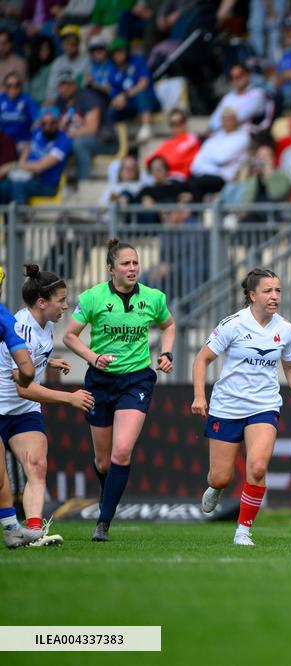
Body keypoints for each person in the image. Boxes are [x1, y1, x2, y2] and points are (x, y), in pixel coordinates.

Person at [194, 268, 291, 547]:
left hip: (264, 406)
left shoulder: (285, 330)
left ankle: (243, 530)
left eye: (278, 290)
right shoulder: (233, 324)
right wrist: (199, 396)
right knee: (221, 476)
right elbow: (201, 360)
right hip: (227, 405)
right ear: (252, 295)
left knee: (256, 467)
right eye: (268, 291)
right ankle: (215, 487)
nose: (274, 296)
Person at [62, 239, 176, 542]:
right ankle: (108, 495)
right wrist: (93, 358)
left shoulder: (153, 297)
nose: (132, 268)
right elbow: (70, 337)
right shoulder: (92, 298)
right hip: (100, 382)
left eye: (136, 263)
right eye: (126, 263)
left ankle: (103, 522)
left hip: (136, 380)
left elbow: (169, 325)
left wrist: (167, 353)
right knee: (103, 462)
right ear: (110, 269)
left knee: (122, 451)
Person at [0, 265, 94, 548]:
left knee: (37, 465)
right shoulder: (20, 327)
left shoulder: (47, 324)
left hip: (24, 412)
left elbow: (28, 357)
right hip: (6, 404)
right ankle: (12, 527)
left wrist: (49, 361)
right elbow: (23, 385)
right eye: (61, 300)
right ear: (42, 302)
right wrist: (69, 398)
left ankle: (33, 531)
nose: (66, 306)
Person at [0, 264, 41, 549]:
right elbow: (25, 369)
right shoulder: (6, 317)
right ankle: (13, 529)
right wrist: (27, 375)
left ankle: (13, 529)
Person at [0, 106, 70, 204]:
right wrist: (22, 162)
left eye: (52, 122)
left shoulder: (63, 141)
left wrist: (12, 166)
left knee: (18, 186)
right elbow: (28, 146)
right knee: (4, 186)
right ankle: (6, 218)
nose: (48, 127)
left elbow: (40, 167)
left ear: (59, 122)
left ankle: (19, 219)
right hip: (28, 175)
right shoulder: (37, 131)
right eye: (44, 123)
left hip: (47, 184)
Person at [54, 73, 117, 181]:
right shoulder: (60, 101)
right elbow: (57, 125)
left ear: (75, 85)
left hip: (104, 141)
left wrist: (68, 134)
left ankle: (84, 183)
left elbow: (91, 129)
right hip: (74, 139)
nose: (64, 89)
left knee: (79, 143)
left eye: (68, 85)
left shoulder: (88, 97)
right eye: (61, 85)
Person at [188, 107, 250, 201]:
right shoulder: (216, 136)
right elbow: (196, 163)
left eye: (230, 119)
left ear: (236, 120)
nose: (227, 122)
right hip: (207, 174)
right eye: (224, 120)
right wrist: (212, 160)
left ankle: (195, 214)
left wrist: (209, 158)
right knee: (185, 183)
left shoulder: (242, 137)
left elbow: (222, 158)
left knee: (198, 184)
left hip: (224, 177)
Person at [107, 38, 155, 142]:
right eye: (115, 52)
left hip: (149, 101)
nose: (118, 55)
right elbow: (114, 94)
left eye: (120, 51)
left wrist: (124, 96)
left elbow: (144, 83)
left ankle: (146, 128)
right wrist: (117, 101)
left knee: (139, 94)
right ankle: (113, 139)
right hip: (130, 106)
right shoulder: (112, 71)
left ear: (126, 51)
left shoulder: (137, 61)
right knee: (111, 109)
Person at [209, 63, 267, 132]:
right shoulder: (228, 97)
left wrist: (224, 123)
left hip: (245, 134)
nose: (236, 79)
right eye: (233, 77)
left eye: (239, 75)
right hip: (222, 133)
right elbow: (213, 120)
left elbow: (237, 118)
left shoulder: (258, 94)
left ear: (248, 75)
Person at [144, 108, 199, 179]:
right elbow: (148, 160)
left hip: (180, 178)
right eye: (173, 123)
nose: (177, 125)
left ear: (185, 122)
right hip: (164, 177)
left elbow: (174, 161)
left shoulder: (191, 139)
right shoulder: (169, 142)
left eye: (180, 121)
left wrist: (160, 160)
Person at [45, 25, 89, 103]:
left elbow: (86, 86)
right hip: (61, 102)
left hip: (82, 101)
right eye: (66, 42)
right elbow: (52, 88)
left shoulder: (87, 60)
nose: (69, 45)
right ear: (62, 44)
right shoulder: (58, 62)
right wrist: (51, 100)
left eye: (72, 42)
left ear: (78, 43)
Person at [0, 73, 38, 149]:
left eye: (17, 84)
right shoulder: (1, 99)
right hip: (3, 142)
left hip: (23, 142)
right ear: (5, 87)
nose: (13, 87)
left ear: (21, 86)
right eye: (9, 85)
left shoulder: (27, 99)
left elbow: (37, 120)